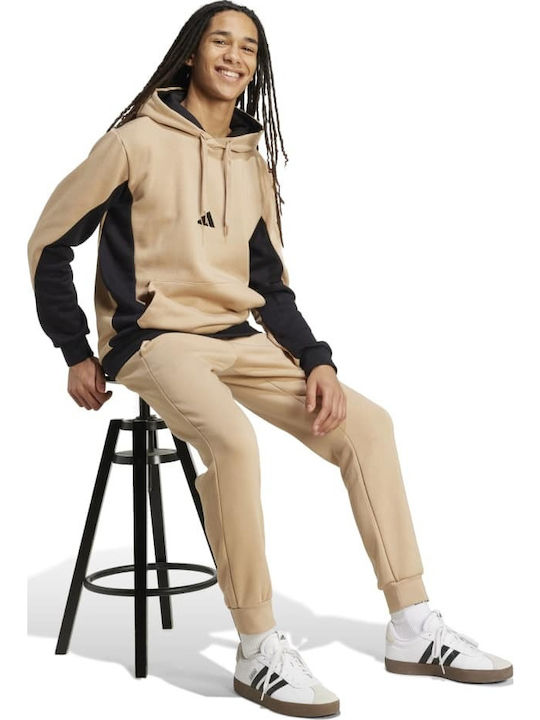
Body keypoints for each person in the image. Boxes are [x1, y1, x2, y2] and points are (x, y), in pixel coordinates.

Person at [26, 1, 513, 715]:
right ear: (192, 52)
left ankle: (411, 624)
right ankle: (257, 647)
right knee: (232, 442)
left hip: (236, 339)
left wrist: (318, 361)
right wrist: (73, 348)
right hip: (152, 341)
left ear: (257, 66)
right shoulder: (133, 142)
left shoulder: (251, 162)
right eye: (220, 41)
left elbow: (268, 285)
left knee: (368, 426)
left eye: (248, 47)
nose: (234, 56)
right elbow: (49, 243)